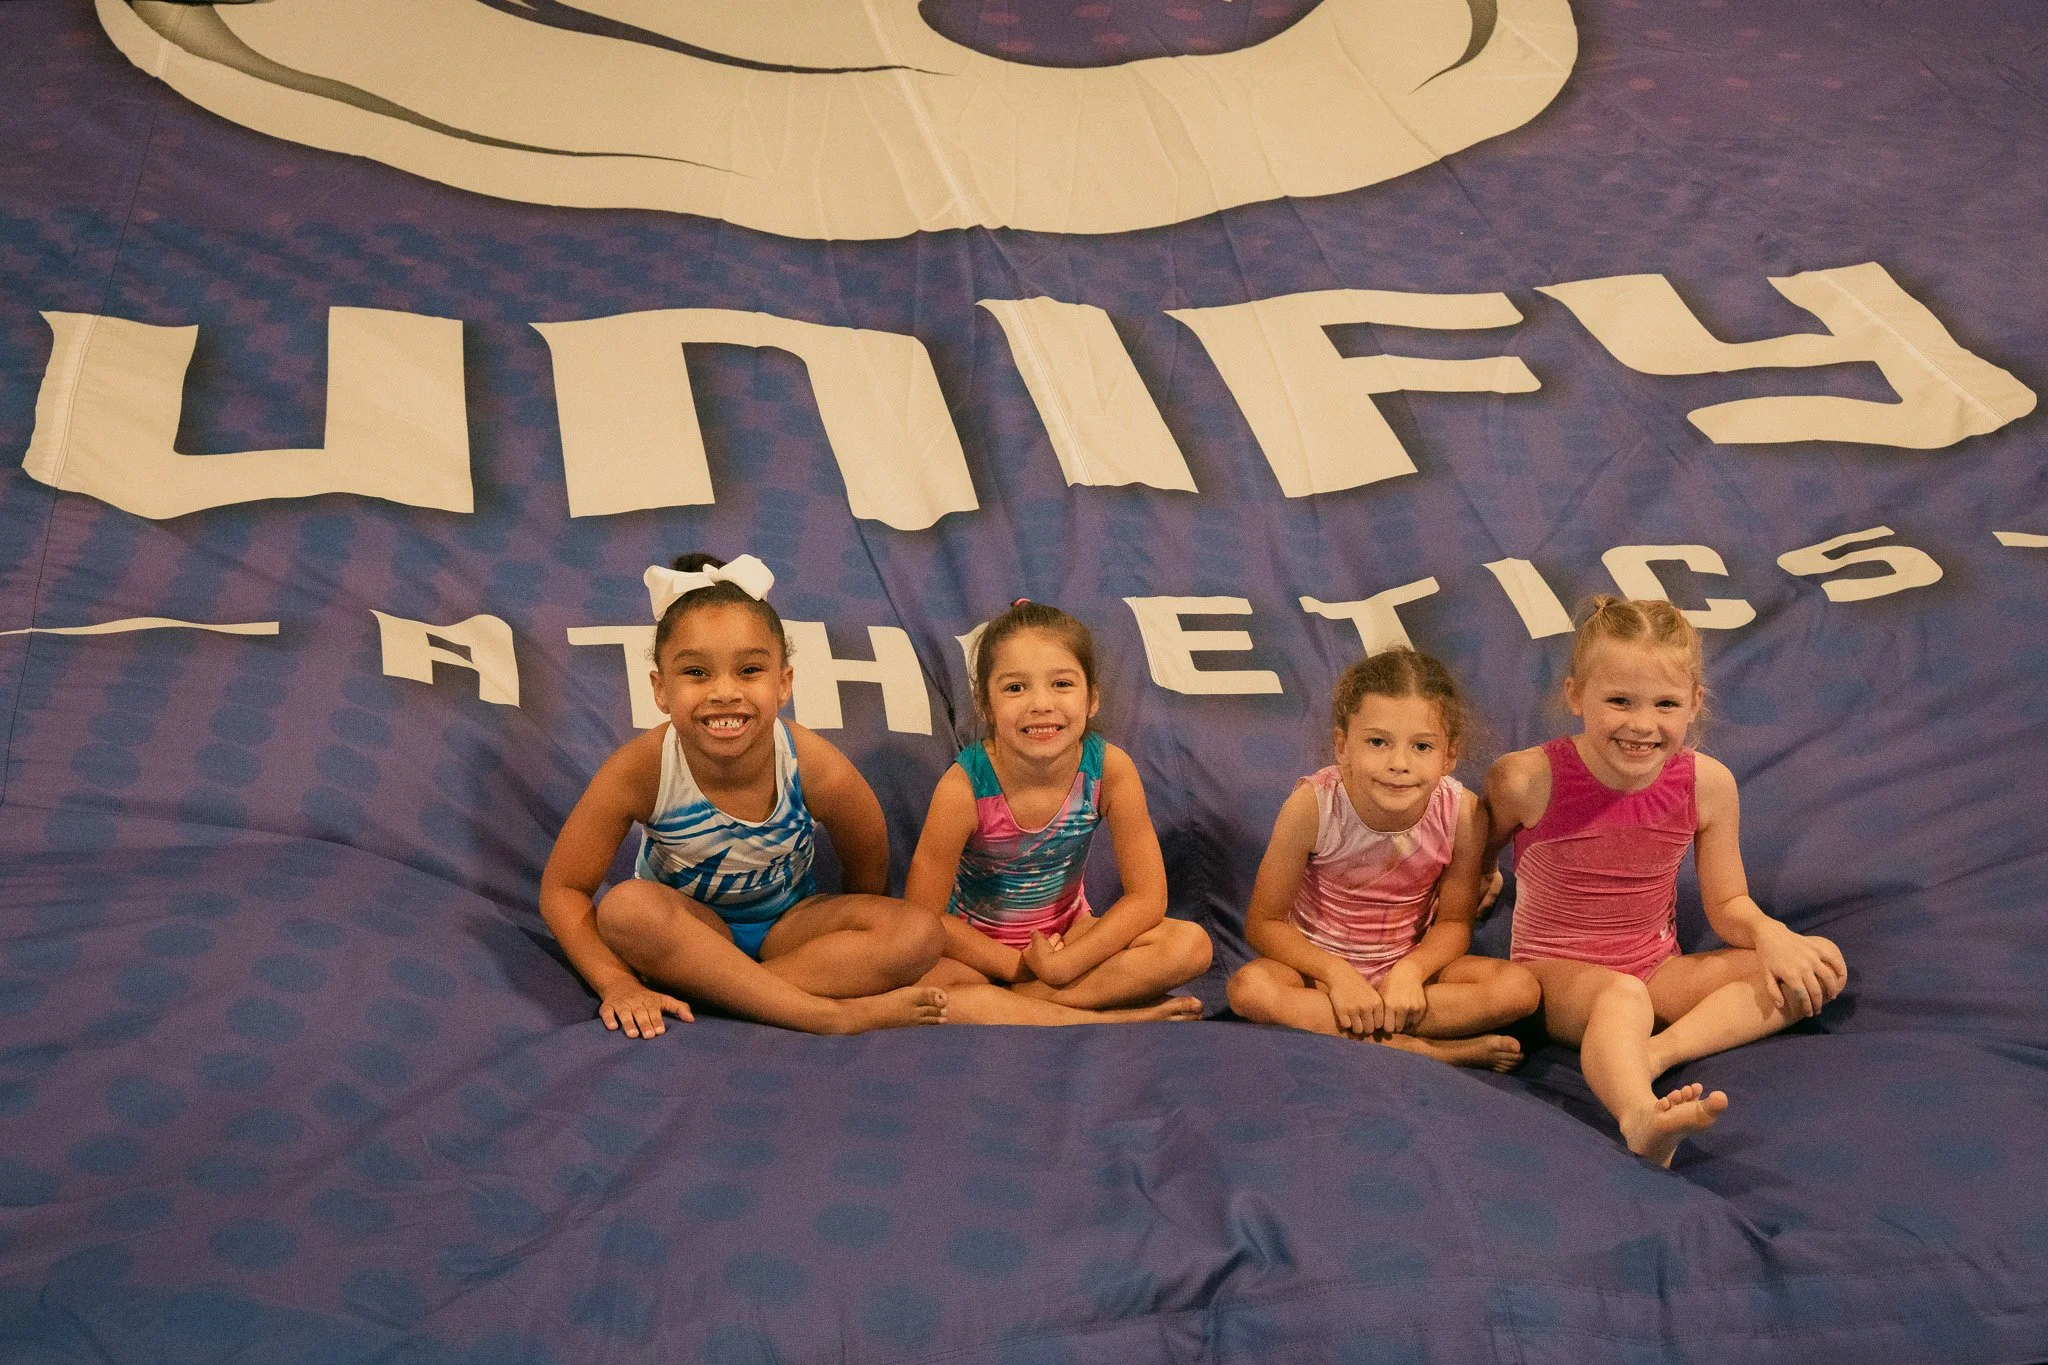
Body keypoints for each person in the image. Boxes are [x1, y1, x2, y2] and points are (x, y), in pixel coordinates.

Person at [1484, 596, 1847, 1165]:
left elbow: (1728, 902)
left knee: (1815, 966)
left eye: (1666, 704)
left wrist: (1771, 934)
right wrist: (1477, 881)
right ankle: (1640, 1117)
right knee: (1620, 996)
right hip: (1556, 975)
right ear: (1576, 695)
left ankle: (1650, 1055)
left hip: (1656, 971)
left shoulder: (1707, 784)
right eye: (1619, 701)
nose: (1642, 724)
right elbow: (1474, 853)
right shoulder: (1527, 777)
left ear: (1694, 705)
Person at [539, 553, 948, 1037]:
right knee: (626, 910)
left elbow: (867, 843)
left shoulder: (809, 762)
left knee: (919, 933)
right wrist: (615, 983)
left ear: (783, 683)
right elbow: (563, 889)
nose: (724, 692)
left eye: (749, 670)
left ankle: (729, 994)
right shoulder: (641, 769)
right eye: (695, 673)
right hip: (689, 934)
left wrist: (853, 940)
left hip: (789, 931)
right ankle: (825, 1015)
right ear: (660, 689)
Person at [1226, 648, 1539, 1068]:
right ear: (1343, 745)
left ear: (1449, 755)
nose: (1399, 764)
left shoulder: (1461, 813)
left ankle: (1368, 1034)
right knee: (1250, 989)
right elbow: (1263, 924)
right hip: (1319, 975)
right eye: (1378, 742)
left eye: (1422, 746)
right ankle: (1425, 1050)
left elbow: (1453, 924)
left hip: (1407, 974)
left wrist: (1410, 972)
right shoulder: (1313, 806)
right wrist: (1336, 975)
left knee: (1520, 989)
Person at [905, 600, 1211, 1024]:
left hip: (1069, 938)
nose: (1040, 704)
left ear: (1093, 698)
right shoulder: (963, 789)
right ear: (984, 704)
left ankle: (1026, 1005)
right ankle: (1098, 1012)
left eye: (1062, 684)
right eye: (1015, 688)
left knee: (1191, 945)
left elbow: (1148, 898)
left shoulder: (1109, 770)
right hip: (978, 951)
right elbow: (923, 917)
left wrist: (1068, 962)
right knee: (928, 991)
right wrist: (1017, 966)